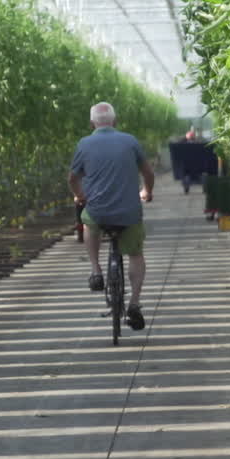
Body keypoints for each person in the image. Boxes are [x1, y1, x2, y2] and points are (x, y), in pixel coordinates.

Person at [68, 102, 154, 330]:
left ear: (91, 123)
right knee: (135, 254)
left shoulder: (84, 144)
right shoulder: (130, 141)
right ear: (115, 122)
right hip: (129, 212)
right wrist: (147, 191)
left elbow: (73, 179)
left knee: (89, 223)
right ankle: (134, 303)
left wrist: (79, 196)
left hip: (98, 210)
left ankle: (96, 270)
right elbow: (148, 172)